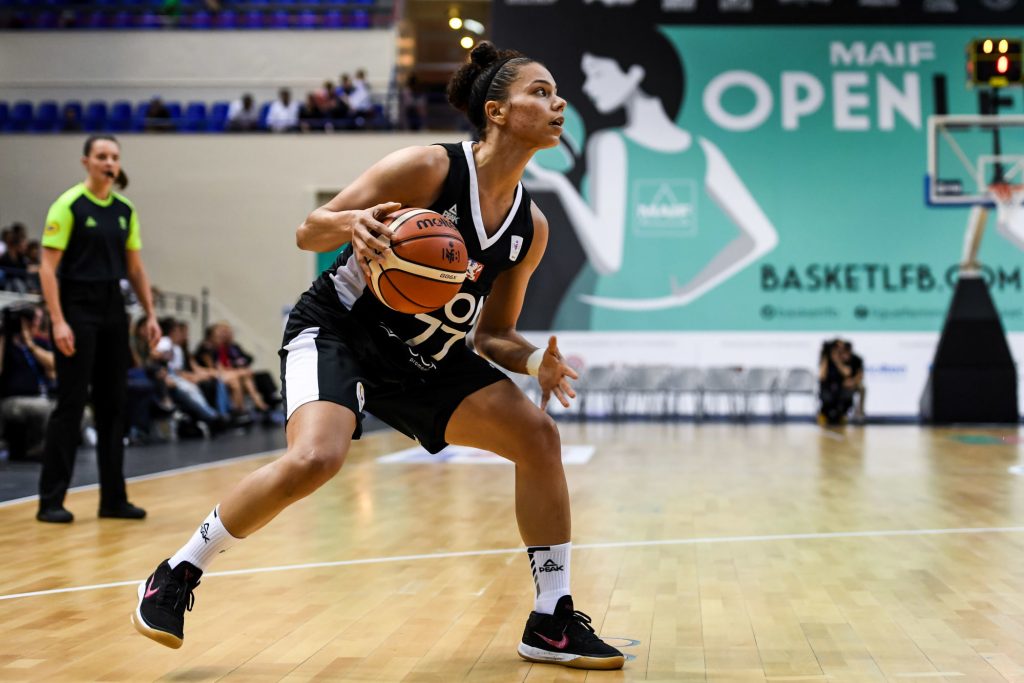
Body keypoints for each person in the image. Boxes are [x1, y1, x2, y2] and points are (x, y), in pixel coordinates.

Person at [132, 42, 625, 671]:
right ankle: (176, 573)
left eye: (556, 94)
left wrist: (534, 364)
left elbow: (492, 334)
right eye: (540, 91)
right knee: (316, 459)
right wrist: (354, 223)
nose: (557, 103)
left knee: (538, 436)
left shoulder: (531, 227)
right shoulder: (428, 168)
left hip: (430, 359)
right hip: (343, 329)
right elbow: (309, 229)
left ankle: (551, 619)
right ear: (496, 111)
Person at [524, 19, 777, 329]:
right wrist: (689, 291)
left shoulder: (611, 145)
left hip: (605, 312)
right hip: (678, 317)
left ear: (634, 73)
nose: (589, 87)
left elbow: (608, 260)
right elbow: (761, 236)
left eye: (598, 74)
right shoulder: (702, 150)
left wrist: (561, 185)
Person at [36, 134, 161, 524]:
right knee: (71, 405)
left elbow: (136, 268)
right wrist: (58, 320)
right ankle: (51, 500)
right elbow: (46, 268)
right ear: (86, 162)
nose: (109, 162)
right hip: (76, 308)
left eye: (114, 157)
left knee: (114, 405)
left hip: (112, 310)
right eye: (102, 156)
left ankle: (113, 499)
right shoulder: (68, 204)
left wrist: (151, 315)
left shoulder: (125, 209)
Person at [0, 303, 56, 461]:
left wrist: (30, 344)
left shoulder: (38, 344)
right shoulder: (7, 344)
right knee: (45, 409)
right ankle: (38, 450)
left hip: (39, 397)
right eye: (32, 319)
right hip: (12, 400)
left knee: (62, 409)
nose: (35, 323)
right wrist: (3, 335)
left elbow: (53, 367)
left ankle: (38, 448)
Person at [818, 338, 853, 426]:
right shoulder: (825, 359)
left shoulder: (844, 358)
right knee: (827, 397)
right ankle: (824, 414)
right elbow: (822, 376)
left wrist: (837, 361)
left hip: (840, 387)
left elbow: (847, 373)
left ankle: (842, 415)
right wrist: (827, 357)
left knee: (847, 395)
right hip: (828, 387)